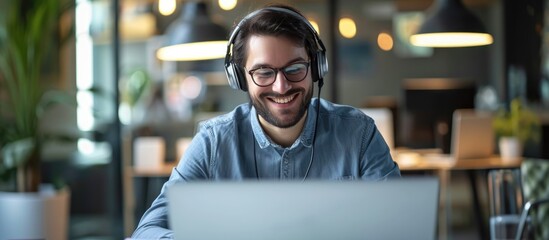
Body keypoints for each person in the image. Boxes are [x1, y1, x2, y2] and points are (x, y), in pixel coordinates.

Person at [132, 4, 400, 239]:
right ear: (240, 78)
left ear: (316, 68)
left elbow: (399, 225)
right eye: (263, 72)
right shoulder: (213, 142)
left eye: (295, 69)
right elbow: (146, 231)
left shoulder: (358, 133)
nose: (281, 86)